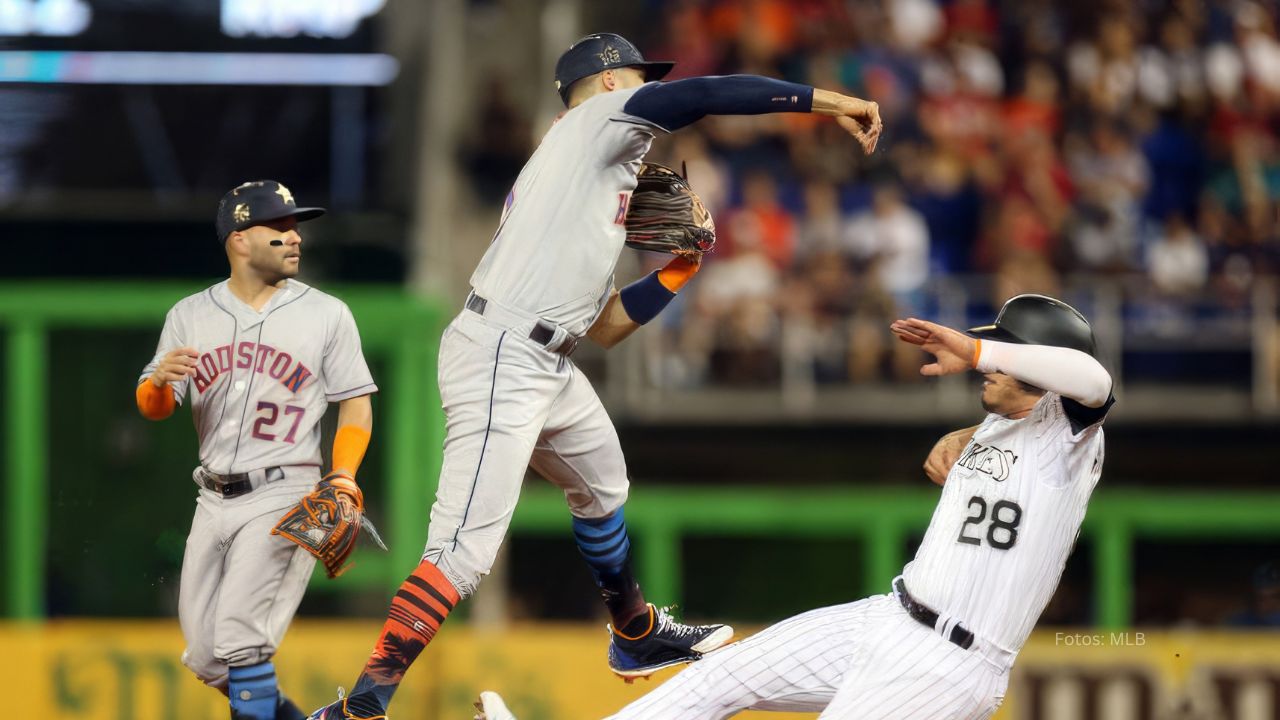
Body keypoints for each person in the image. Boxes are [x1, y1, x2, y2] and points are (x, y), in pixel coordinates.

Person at [309, 32, 882, 720]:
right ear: (613, 82)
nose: (651, 89)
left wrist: (676, 271)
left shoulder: (588, 174)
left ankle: (636, 634)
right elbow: (703, 94)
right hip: (502, 354)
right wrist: (831, 102)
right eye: (642, 78)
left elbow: (606, 329)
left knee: (603, 484)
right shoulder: (595, 121)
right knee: (462, 555)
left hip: (547, 357)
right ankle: (363, 707)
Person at [476, 293, 1115, 720]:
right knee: (719, 677)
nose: (984, 361)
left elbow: (1093, 380)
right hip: (888, 617)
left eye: (1002, 352)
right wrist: (960, 434)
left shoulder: (1074, 434)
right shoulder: (1000, 421)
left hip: (953, 660)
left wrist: (979, 351)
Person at [136, 180, 378, 720]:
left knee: (242, 637)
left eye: (297, 227)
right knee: (204, 656)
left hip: (285, 490)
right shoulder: (189, 314)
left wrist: (342, 474)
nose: (296, 238)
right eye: (281, 228)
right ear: (240, 238)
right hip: (212, 498)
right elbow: (156, 406)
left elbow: (356, 404)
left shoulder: (327, 314)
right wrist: (156, 386)